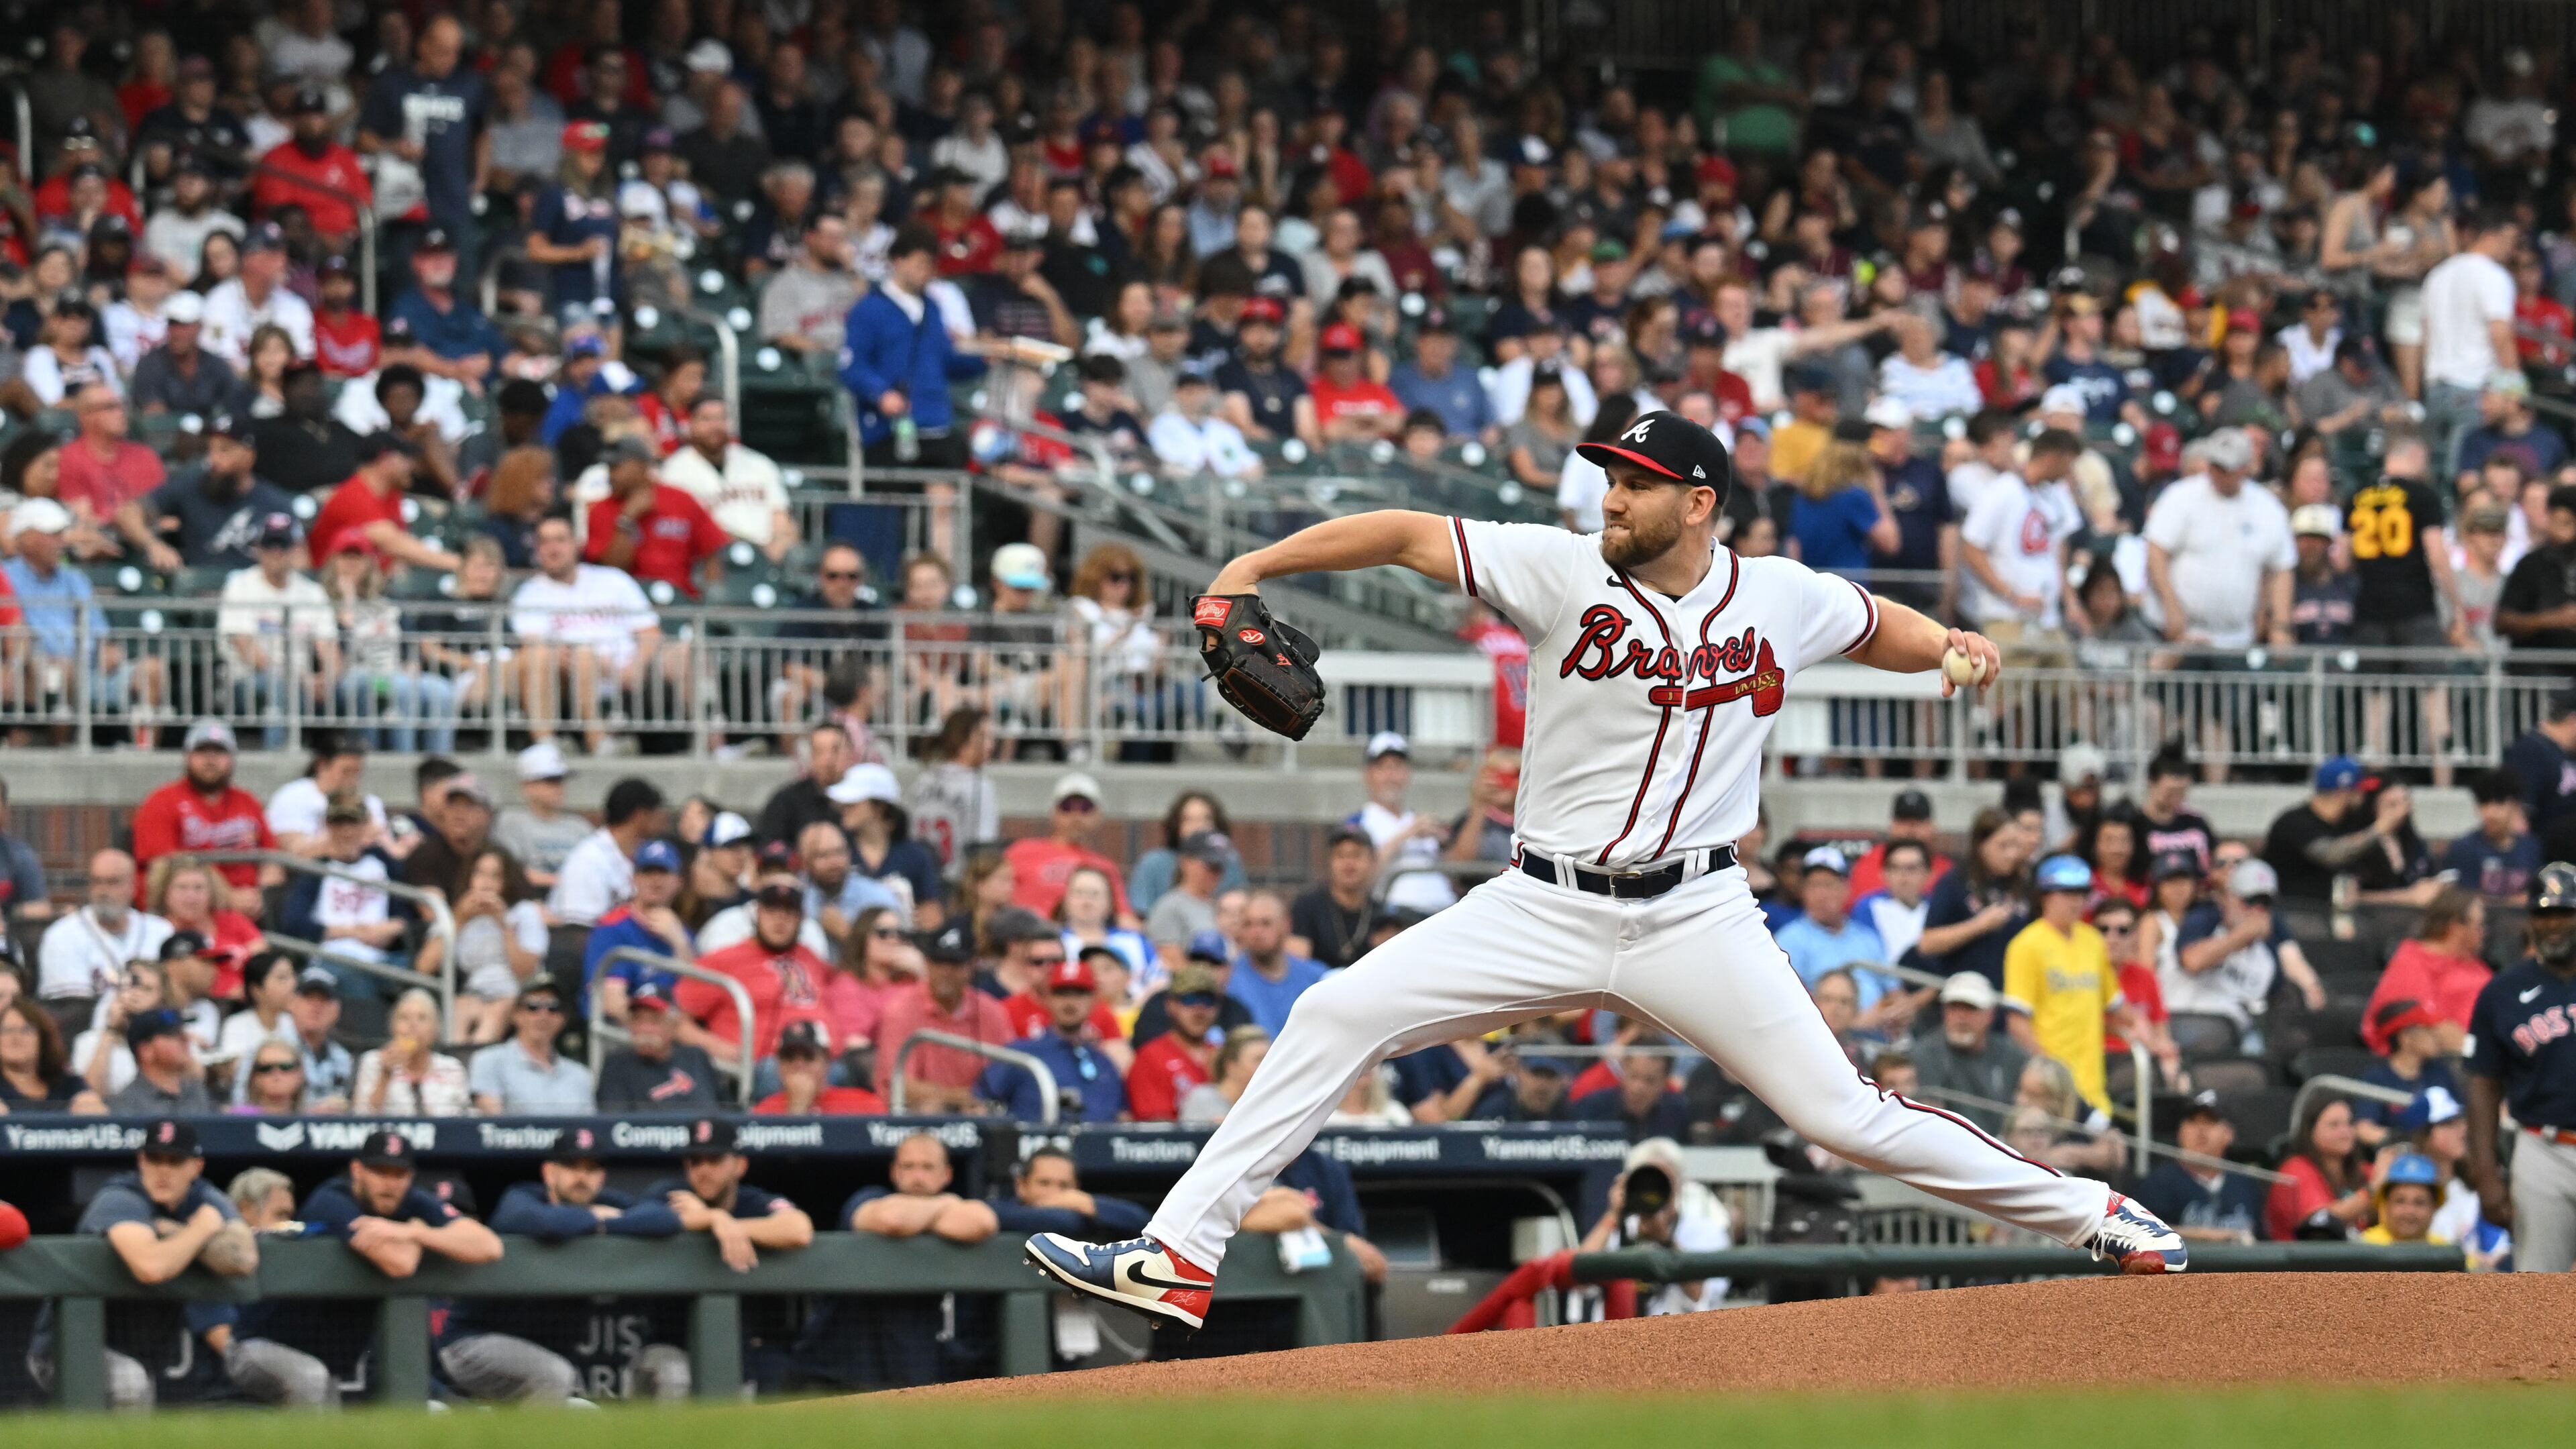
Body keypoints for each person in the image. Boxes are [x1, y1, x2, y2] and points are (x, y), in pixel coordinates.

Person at [1024, 409, 2188, 1335]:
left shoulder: (1774, 592)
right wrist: (1249, 564)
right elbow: (1397, 532)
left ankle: (2107, 1216)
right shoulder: (1554, 567)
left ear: (1698, 501)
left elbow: (1867, 618)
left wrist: (1948, 643)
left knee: (1845, 1117)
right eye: (1607, 479)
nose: (1611, 498)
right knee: (1334, 1011)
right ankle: (1177, 1256)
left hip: (1698, 912)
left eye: (1633, 482)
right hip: (1541, 901)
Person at [32, 1120, 260, 1408]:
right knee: (129, 1382)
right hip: (69, 1346)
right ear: (141, 1160)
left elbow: (245, 1258)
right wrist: (202, 1230)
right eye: (155, 1159)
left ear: (196, 1166)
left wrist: (174, 1232)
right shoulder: (119, 1198)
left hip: (138, 1347)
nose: (163, 1170)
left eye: (175, 1160)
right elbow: (151, 1268)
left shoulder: (206, 1197)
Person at [467, 1129, 690, 1403]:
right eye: (571, 1167)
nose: (582, 1177)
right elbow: (544, 1223)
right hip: (476, 1340)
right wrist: (595, 1220)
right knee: (553, 1375)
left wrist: (606, 1224)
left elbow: (664, 1219)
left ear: (602, 1177)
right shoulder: (521, 1197)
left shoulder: (609, 1203)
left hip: (538, 1353)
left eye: (591, 1169)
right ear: (549, 1173)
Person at [2466, 862, 2576, 1272]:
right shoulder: (2503, 992)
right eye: (2543, 914)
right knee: (2538, 1292)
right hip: (2543, 1149)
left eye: (2564, 913)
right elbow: (2482, 1083)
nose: (2553, 925)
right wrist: (2485, 1172)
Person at [2002, 855, 2127, 1115]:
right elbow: (2018, 1023)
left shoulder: (2093, 940)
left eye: (2082, 893)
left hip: (2093, 1086)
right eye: (2067, 892)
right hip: (2051, 1089)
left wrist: (2147, 1030)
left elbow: (2115, 1006)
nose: (2076, 901)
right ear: (2045, 896)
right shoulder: (2026, 945)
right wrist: (2051, 1071)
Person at [2167, 857, 2325, 1055]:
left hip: (2236, 1034)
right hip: (2188, 1021)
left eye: (2265, 903)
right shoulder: (2206, 918)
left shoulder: (2268, 951)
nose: (2258, 910)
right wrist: (2243, 935)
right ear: (2228, 898)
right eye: (2249, 901)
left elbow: (2287, 964)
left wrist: (2310, 986)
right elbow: (2193, 961)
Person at [678, 875, 833, 1067]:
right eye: (772, 910)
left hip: (825, 1063)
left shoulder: (809, 957)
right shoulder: (724, 960)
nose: (780, 919)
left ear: (801, 919)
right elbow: (676, 1019)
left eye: (789, 911)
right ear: (757, 913)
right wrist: (717, 1047)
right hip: (764, 1068)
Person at [872, 921, 1016, 1110]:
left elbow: (1009, 1077)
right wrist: (964, 1096)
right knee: (930, 1108)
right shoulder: (901, 1010)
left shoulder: (992, 1012)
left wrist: (975, 1100)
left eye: (955, 964)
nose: (946, 972)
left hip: (978, 1114)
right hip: (918, 1120)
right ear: (927, 964)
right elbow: (900, 1086)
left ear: (971, 966)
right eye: (939, 963)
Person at [129, 719, 272, 902]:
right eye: (202, 751)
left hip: (249, 907)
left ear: (232, 758)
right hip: (187, 909)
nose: (210, 759)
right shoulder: (162, 801)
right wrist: (228, 898)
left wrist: (264, 893)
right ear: (187, 757)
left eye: (220, 752)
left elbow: (271, 858)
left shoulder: (247, 801)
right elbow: (164, 871)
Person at [35, 848, 173, 1020]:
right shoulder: (62, 935)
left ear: (133, 886)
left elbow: (175, 995)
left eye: (113, 882)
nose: (103, 891)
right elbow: (72, 1011)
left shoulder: (161, 930)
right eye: (97, 882)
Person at [2364, 888, 2493, 1055]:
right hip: (2450, 1064)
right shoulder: (2413, 961)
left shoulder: (2476, 966)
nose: (2484, 933)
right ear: (2456, 928)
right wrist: (2478, 1052)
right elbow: (2417, 1023)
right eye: (2479, 926)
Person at [1915, 806, 2031, 991]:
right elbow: (1927, 944)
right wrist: (1979, 925)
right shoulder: (1955, 882)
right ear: (1981, 845)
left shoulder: (2025, 883)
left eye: (2016, 845)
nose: (2011, 854)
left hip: (2014, 992)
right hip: (1968, 994)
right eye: (2003, 846)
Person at [2131, 1093, 2268, 1242]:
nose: (2201, 1130)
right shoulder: (2158, 1184)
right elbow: (2142, 1234)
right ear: (2180, 1132)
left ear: (2229, 1134)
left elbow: (2263, 1241)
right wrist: (2212, 1236)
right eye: (2192, 1121)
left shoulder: (2245, 1185)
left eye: (2210, 1122)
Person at [1903, 972, 2028, 1134]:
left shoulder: (2013, 1057)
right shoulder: (1921, 1055)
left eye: (1971, 1008)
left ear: (1990, 1015)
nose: (1961, 1017)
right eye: (1954, 1007)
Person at [1005, 772, 1132, 920]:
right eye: (1067, 808)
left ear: (1098, 816)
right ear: (1054, 813)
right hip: (1028, 935)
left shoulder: (1105, 868)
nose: (1076, 816)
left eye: (1085, 808)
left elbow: (1124, 916)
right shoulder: (1021, 851)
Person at [467, 980, 594, 1114]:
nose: (543, 1015)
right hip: (513, 1135)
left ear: (563, 1019)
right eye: (533, 1007)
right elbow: (493, 1122)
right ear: (516, 1015)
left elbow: (588, 1130)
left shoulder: (580, 1075)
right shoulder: (489, 1061)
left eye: (553, 1008)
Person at [595, 982, 726, 1113]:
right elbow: (616, 1123)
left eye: (654, 1020)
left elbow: (727, 1110)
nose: (645, 1029)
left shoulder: (696, 1057)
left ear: (673, 1025)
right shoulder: (616, 1065)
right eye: (638, 1020)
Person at [2265, 1094, 2375, 1242]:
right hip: (2303, 1260)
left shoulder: (2362, 1170)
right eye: (2334, 1125)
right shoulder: (2295, 1169)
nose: (2345, 1132)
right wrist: (2373, 1190)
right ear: (2310, 1131)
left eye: (2349, 1123)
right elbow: (2321, 1219)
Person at [352, 987, 471, 1115]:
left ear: (436, 1029)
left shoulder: (452, 1068)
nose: (413, 1025)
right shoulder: (374, 1062)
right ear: (392, 1027)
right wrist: (385, 1075)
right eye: (404, 1018)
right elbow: (361, 1120)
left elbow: (465, 1119)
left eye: (422, 1018)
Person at [2442, 769, 2541, 902]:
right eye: (2484, 803)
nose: (2490, 813)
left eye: (2499, 803)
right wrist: (2512, 902)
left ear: (2515, 806)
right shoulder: (2464, 849)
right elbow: (2463, 900)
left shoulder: (2531, 848)